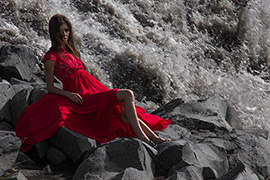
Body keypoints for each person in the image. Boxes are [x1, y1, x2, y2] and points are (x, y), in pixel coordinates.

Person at [15, 14, 171, 152]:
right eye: (60, 31)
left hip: (93, 88)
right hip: (83, 95)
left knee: (123, 112)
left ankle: (154, 139)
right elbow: (49, 87)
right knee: (127, 94)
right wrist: (68, 94)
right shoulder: (51, 57)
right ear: (53, 32)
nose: (64, 35)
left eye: (66, 30)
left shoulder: (72, 51)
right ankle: (143, 138)